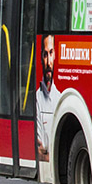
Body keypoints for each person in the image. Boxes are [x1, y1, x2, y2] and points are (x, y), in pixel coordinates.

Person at [35, 34, 60, 163]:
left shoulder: (60, 98)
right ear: (41, 58)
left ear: (55, 55)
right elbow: (39, 148)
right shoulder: (36, 99)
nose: (48, 61)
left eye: (51, 53)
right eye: (45, 55)